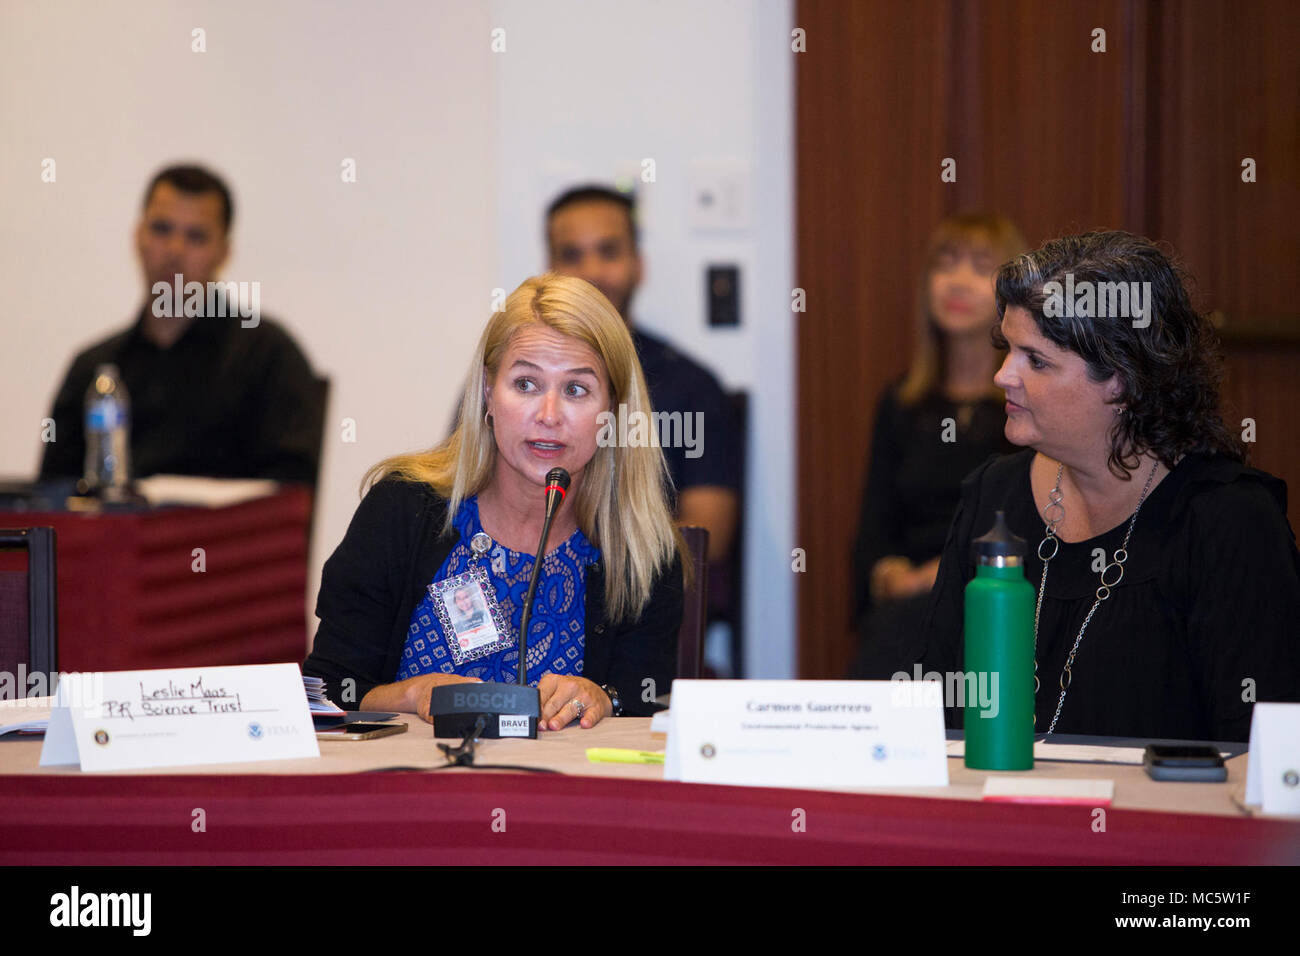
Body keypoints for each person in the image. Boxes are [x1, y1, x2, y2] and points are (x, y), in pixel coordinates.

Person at [916, 230, 1300, 742]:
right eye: (1007, 349)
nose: (1002, 376)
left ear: (1121, 380)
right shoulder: (994, 495)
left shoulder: (1227, 521)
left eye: (1036, 360)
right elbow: (933, 712)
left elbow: (1266, 759)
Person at [303, 274, 687, 729]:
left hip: (560, 794)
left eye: (576, 390)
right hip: (411, 788)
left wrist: (602, 699)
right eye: (525, 384)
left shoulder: (643, 554)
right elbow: (325, 696)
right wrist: (412, 692)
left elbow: (648, 716)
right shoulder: (401, 511)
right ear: (488, 391)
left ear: (613, 412)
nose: (548, 415)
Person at [39, 164, 321, 486]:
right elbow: (52, 500)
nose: (174, 250)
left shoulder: (268, 357)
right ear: (138, 237)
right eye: (161, 229)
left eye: (196, 236)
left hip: (222, 536)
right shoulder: (94, 369)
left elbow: (290, 492)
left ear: (224, 252)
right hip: (114, 536)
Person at [849, 213, 1025, 678]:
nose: (958, 282)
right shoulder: (902, 402)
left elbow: (1029, 522)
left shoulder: (1024, 404)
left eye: (979, 265)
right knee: (895, 631)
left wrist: (932, 579)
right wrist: (888, 574)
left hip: (992, 593)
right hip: (904, 601)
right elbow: (874, 527)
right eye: (945, 264)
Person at [545, 185, 740, 564]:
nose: (592, 271)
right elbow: (463, 503)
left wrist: (595, 568)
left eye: (608, 251)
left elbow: (706, 540)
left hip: (640, 597)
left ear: (638, 264)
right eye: (572, 255)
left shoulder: (692, 388)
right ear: (550, 269)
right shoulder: (511, 378)